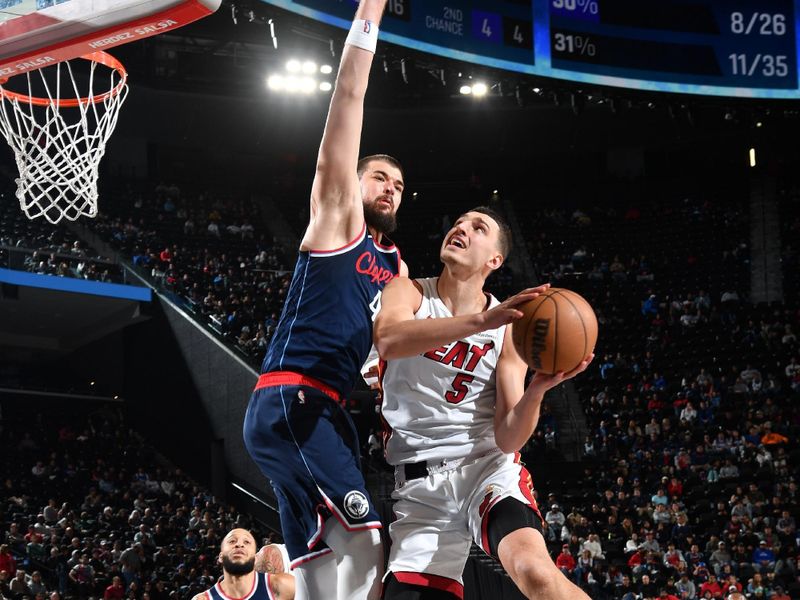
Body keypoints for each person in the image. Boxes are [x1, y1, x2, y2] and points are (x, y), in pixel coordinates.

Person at [242, 2, 406, 599]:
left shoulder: (396, 269)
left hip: (325, 410)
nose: (390, 188)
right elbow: (349, 99)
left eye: (399, 185)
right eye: (379, 177)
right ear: (353, 182)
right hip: (295, 398)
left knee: (311, 557)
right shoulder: (339, 218)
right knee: (366, 538)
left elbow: (390, 343)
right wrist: (370, 11)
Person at [374, 207, 593, 599]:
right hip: (420, 489)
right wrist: (481, 322)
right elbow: (389, 338)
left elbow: (509, 437)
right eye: (458, 222)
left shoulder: (508, 331)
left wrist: (537, 390)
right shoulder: (409, 292)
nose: (461, 228)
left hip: (485, 470)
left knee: (536, 573)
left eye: (479, 228)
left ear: (495, 260)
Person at [192, 529, 294, 600]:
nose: (239, 544)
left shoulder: (268, 558)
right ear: (221, 556)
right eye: (232, 541)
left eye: (246, 542)